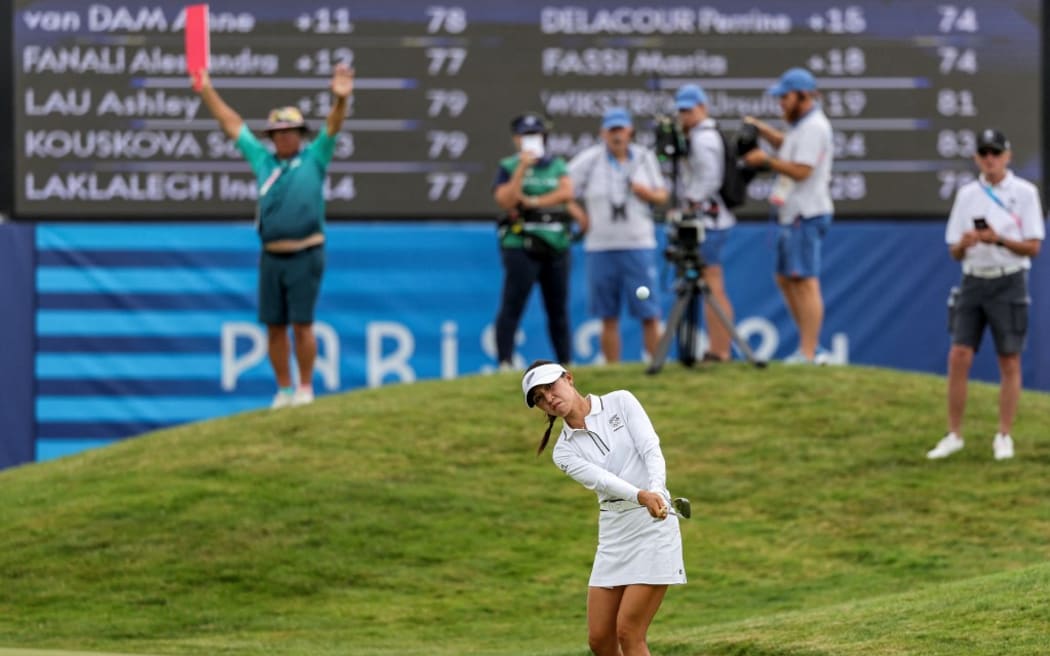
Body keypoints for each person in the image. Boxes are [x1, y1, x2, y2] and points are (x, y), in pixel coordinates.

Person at [194, 64, 353, 408]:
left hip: (306, 252)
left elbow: (333, 126)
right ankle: (283, 390)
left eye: (291, 131)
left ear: (300, 134)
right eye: (279, 132)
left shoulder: (314, 158)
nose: (285, 137)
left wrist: (341, 100)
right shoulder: (263, 162)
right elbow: (232, 124)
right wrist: (206, 88)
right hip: (271, 255)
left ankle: (306, 389)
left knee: (303, 325)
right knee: (274, 327)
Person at [521, 360, 686, 656]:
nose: (550, 399)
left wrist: (657, 491)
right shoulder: (563, 451)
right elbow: (604, 481)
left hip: (654, 527)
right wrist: (642, 496)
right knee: (600, 640)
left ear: (569, 379)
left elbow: (651, 448)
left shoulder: (620, 401)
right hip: (615, 534)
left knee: (629, 632)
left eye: (551, 388)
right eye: (540, 399)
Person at [926, 128, 1044, 461]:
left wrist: (999, 240)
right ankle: (954, 434)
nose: (990, 159)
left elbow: (1033, 245)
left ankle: (1004, 435)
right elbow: (953, 250)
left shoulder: (1025, 193)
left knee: (1009, 358)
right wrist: (966, 243)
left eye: (996, 153)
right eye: (984, 154)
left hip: (1009, 279)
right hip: (973, 279)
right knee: (959, 356)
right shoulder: (966, 195)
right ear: (977, 158)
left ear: (1007, 156)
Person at [742, 67, 834, 364]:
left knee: (806, 281)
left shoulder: (815, 127)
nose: (780, 102)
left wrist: (765, 160)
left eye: (785, 96)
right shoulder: (800, 125)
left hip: (805, 214)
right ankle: (810, 348)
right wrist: (764, 130)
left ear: (803, 96)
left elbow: (802, 170)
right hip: (792, 214)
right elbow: (790, 147)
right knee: (785, 278)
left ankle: (809, 352)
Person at [567, 108, 669, 363]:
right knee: (607, 315)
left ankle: (655, 366)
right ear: (603, 133)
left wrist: (647, 193)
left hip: (638, 245)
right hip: (600, 247)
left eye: (621, 129)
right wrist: (578, 215)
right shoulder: (589, 160)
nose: (617, 135)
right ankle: (613, 369)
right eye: (612, 130)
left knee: (649, 311)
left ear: (630, 131)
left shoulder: (645, 158)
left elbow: (662, 195)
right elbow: (562, 187)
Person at [493, 113, 580, 369]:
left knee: (558, 309)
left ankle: (565, 362)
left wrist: (532, 201)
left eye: (536, 135)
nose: (531, 140)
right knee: (513, 305)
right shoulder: (508, 166)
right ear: (516, 139)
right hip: (521, 245)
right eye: (525, 135)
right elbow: (506, 200)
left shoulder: (557, 165)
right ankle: (505, 361)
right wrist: (522, 167)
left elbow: (566, 192)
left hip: (556, 245)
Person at [675, 84, 738, 362]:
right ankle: (717, 349)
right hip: (707, 219)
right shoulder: (697, 136)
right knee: (709, 283)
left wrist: (690, 201)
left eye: (689, 109)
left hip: (709, 222)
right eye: (681, 110)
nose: (684, 115)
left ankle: (720, 350)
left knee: (712, 284)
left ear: (703, 108)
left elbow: (711, 178)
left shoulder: (704, 138)